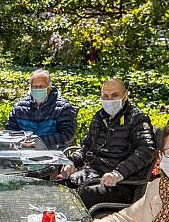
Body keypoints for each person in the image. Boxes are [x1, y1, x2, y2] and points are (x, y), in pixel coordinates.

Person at [60, 78, 156, 208]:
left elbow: (147, 149)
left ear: (125, 96)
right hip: (92, 175)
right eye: (105, 96)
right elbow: (86, 147)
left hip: (121, 184)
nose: (110, 100)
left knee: (81, 197)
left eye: (115, 95)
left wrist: (118, 173)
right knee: (59, 188)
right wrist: (71, 162)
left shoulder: (137, 119)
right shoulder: (99, 117)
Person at [6, 69, 77, 149]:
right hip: (23, 151)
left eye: (42, 86)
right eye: (35, 86)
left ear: (49, 87)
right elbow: (10, 131)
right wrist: (21, 141)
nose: (38, 89)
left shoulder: (63, 108)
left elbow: (68, 135)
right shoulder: (19, 107)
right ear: (30, 87)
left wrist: (40, 142)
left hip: (52, 154)